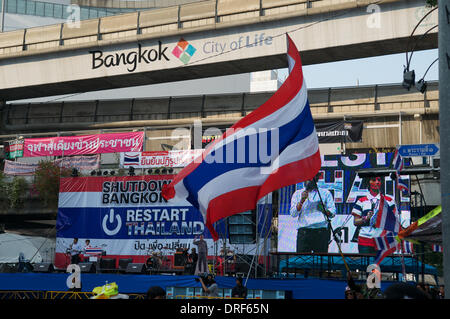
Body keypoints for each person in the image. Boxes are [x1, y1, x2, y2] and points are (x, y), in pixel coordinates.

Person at [289, 173, 336, 253]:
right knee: (302, 260)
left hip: (320, 232)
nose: (309, 181)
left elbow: (333, 213)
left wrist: (323, 210)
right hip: (304, 232)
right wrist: (301, 201)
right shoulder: (297, 193)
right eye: (307, 179)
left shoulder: (325, 193)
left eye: (311, 178)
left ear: (316, 179)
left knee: (321, 261)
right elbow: (293, 213)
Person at [351, 176, 399, 254]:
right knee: (366, 264)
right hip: (365, 240)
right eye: (373, 180)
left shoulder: (389, 200)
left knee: (382, 264)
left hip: (383, 239)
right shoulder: (361, 201)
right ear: (368, 183)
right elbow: (355, 222)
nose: (377, 182)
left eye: (379, 180)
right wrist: (366, 218)